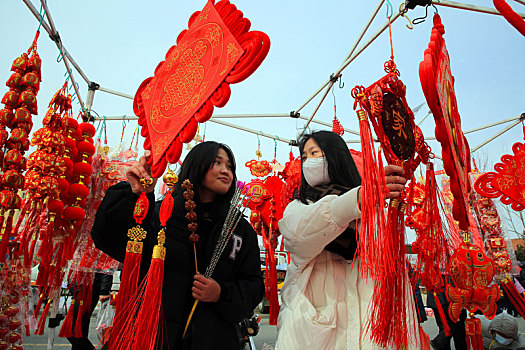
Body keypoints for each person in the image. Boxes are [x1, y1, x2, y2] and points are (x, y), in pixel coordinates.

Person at [91, 141, 264, 349]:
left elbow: (253, 285)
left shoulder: (239, 229)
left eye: (229, 166)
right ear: (196, 164)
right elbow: (107, 237)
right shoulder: (161, 214)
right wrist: (133, 192)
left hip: (213, 340)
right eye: (217, 162)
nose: (225, 171)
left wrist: (221, 293)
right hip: (154, 337)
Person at [275, 130, 420, 349]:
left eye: (315, 153)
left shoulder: (373, 213)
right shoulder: (299, 207)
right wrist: (356, 200)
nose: (308, 162)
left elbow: (394, 279)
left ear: (335, 157)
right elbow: (299, 239)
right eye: (304, 157)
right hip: (314, 334)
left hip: (370, 333)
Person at [67, 272, 113, 350]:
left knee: (74, 330)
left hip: (89, 290)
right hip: (79, 289)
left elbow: (106, 269)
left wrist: (104, 291)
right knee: (79, 329)